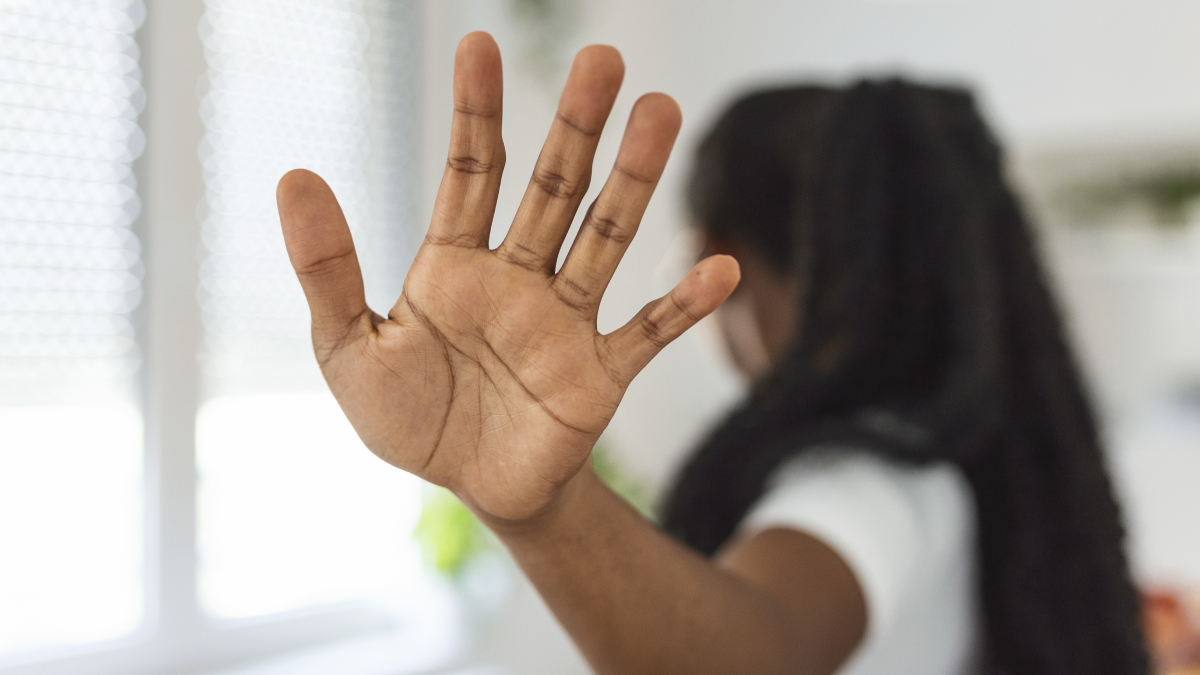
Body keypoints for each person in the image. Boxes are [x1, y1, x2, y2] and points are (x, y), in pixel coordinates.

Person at [276, 32, 1148, 675]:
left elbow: (756, 654)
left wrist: (541, 510)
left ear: (736, 259)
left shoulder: (868, 482)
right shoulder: (952, 456)